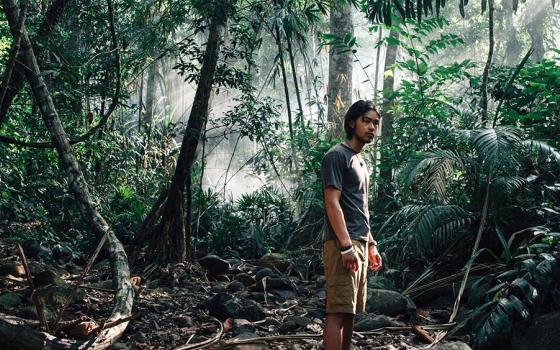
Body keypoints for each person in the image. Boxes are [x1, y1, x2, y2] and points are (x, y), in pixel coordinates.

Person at [321, 100, 383, 350]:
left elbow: (361, 208)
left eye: (375, 123)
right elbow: (332, 203)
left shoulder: (359, 160)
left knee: (350, 312)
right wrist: (345, 246)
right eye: (366, 121)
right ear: (351, 123)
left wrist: (371, 244)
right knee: (337, 311)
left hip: (359, 241)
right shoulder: (336, 156)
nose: (371, 127)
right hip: (342, 243)